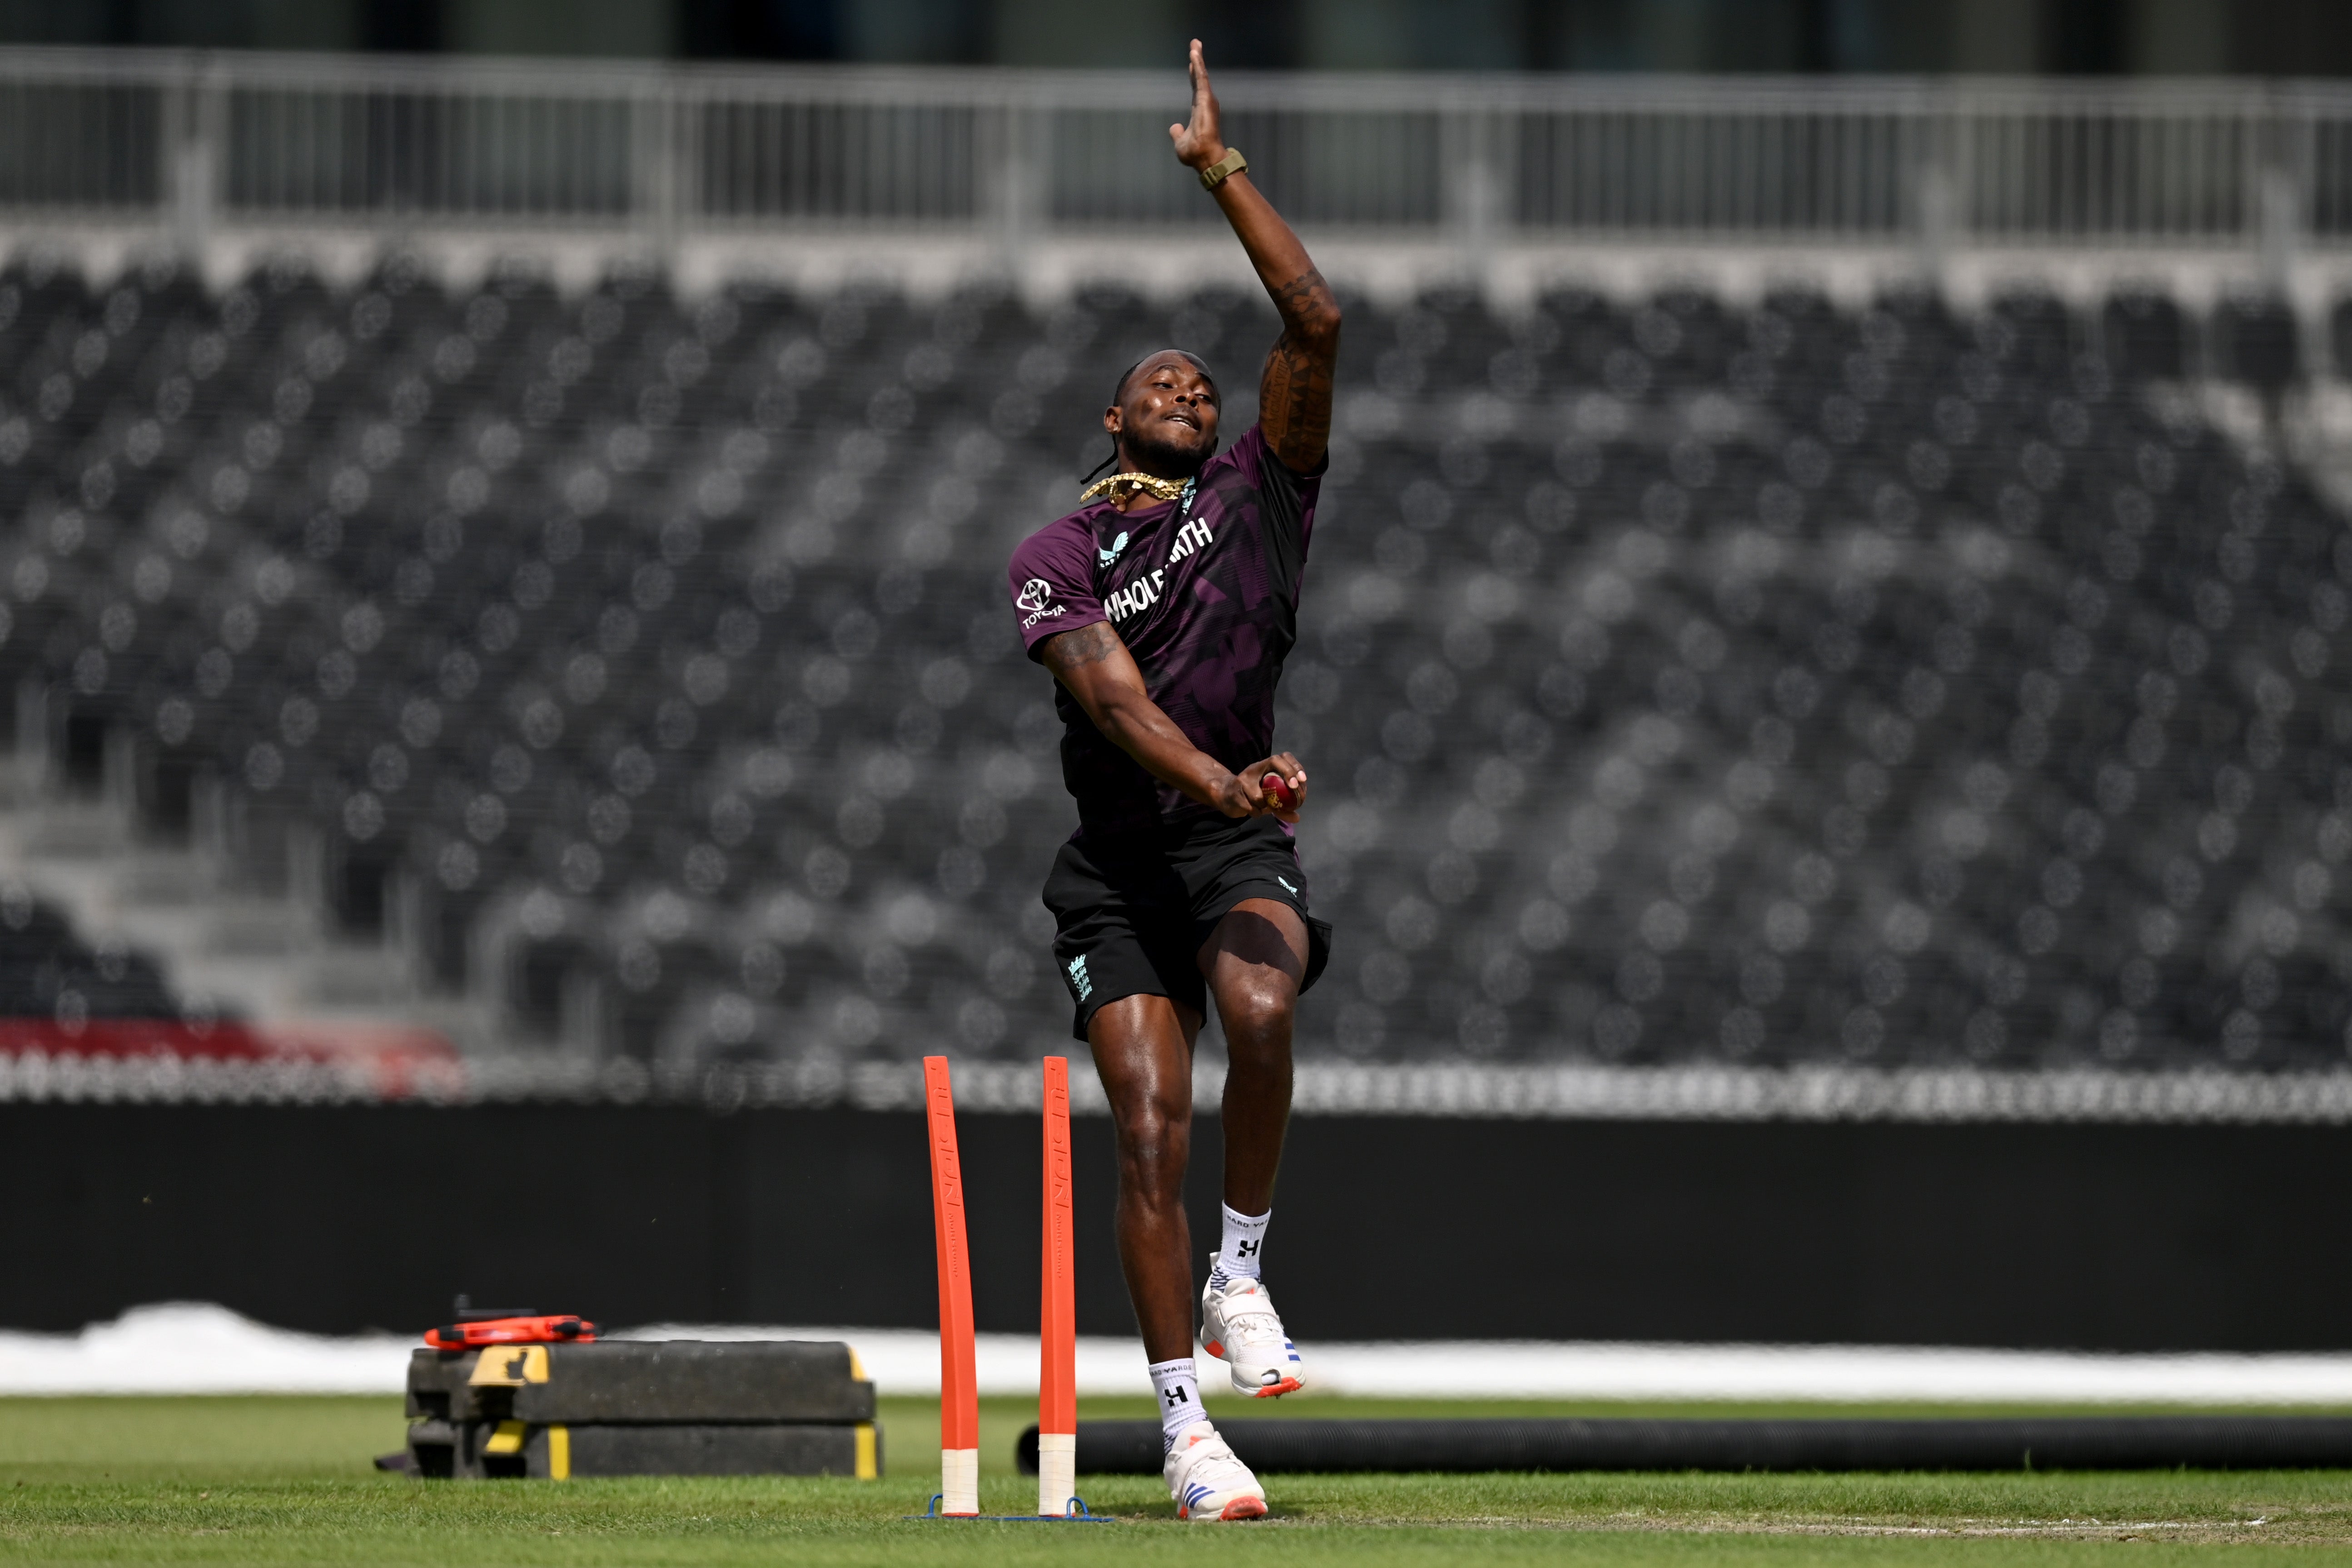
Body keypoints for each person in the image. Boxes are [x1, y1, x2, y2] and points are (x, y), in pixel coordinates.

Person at [1004, 39, 1341, 1523]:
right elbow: (1117, 707)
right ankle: (1185, 1432)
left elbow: (1314, 317)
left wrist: (1222, 173)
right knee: (1145, 1124)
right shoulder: (1054, 558)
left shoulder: (1258, 494)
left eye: (1203, 383)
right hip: (1128, 859)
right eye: (1157, 380)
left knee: (1262, 1008)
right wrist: (1226, 781)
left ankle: (1241, 1271)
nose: (1187, 384)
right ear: (1110, 422)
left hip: (1231, 837)